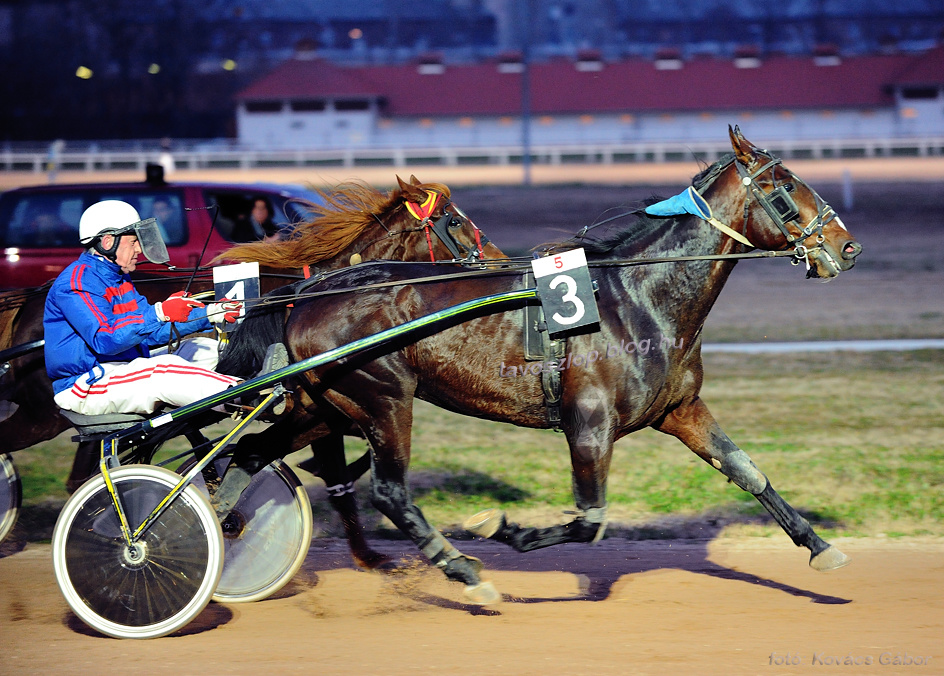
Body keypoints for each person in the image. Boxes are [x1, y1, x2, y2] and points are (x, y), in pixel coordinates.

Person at [43, 199, 262, 417]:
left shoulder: (119, 279)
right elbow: (106, 339)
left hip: (123, 368)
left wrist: (210, 313)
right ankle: (249, 396)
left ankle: (262, 374)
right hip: (87, 385)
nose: (139, 249)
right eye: (133, 242)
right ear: (107, 242)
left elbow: (150, 333)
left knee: (203, 348)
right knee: (164, 369)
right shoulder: (77, 283)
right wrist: (160, 312)